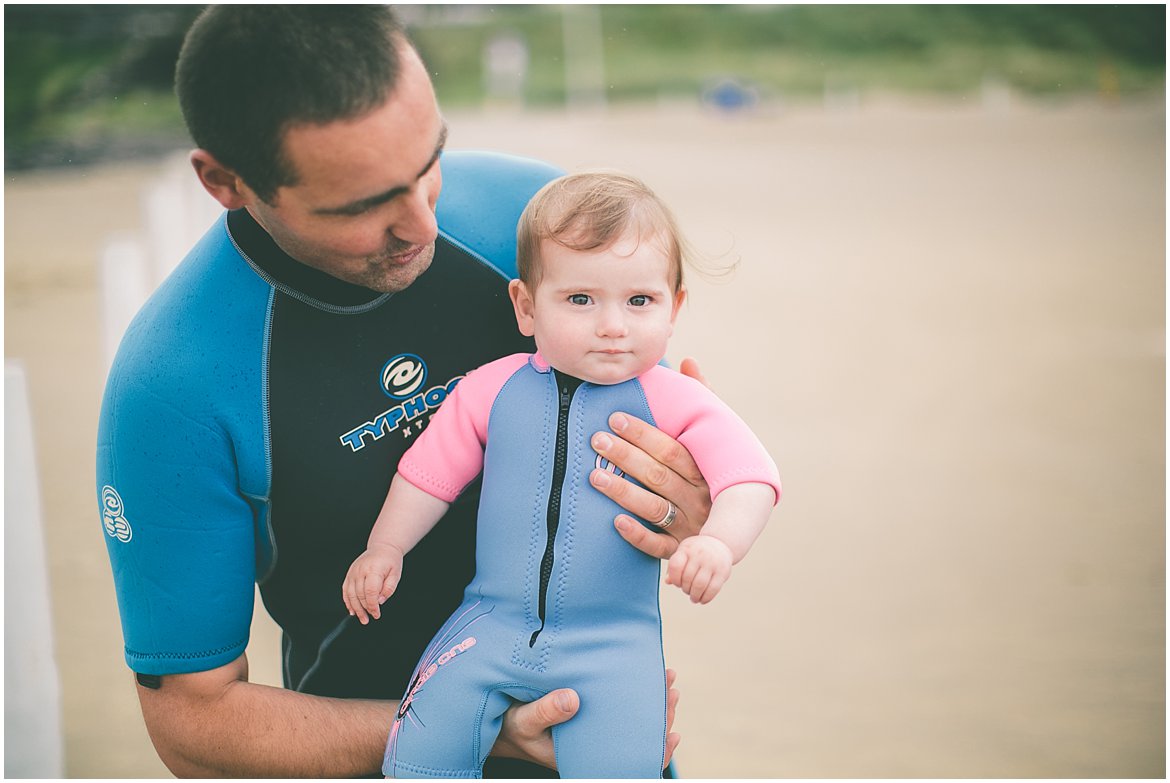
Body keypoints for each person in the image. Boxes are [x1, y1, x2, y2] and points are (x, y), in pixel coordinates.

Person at [95, 6, 715, 778]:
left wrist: (680, 499)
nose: (422, 222)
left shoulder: (539, 225)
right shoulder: (174, 384)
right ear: (226, 180)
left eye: (431, 163)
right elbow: (192, 718)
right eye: (362, 206)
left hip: (600, 738)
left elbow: (668, 443)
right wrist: (472, 723)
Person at [343, 171, 781, 778]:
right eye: (580, 300)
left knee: (626, 767)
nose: (612, 325)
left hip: (614, 645)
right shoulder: (491, 390)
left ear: (674, 306)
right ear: (526, 306)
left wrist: (718, 543)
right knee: (416, 754)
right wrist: (385, 546)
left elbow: (750, 475)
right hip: (487, 623)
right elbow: (428, 475)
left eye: (640, 301)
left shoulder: (676, 400)